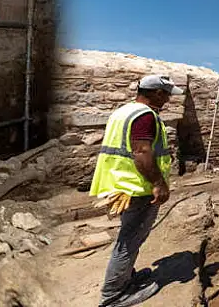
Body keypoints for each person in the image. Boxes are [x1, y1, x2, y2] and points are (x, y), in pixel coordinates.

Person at [89, 74, 183, 307]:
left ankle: (126, 278)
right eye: (167, 95)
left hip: (122, 183)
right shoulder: (145, 116)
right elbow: (141, 152)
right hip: (138, 188)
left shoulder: (124, 111)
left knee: (129, 236)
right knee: (130, 240)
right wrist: (159, 183)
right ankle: (113, 295)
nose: (169, 100)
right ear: (158, 93)